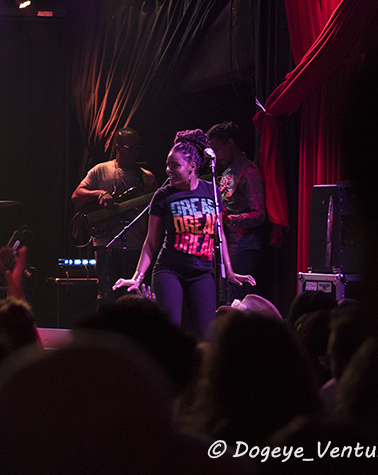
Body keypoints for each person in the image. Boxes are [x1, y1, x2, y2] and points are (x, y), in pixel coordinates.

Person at [112, 129, 254, 339]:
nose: (168, 170)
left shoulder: (211, 191)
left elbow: (220, 234)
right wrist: (137, 276)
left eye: (175, 165)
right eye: (168, 165)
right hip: (170, 270)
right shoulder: (163, 196)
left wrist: (230, 272)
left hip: (202, 272)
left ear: (192, 167)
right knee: (169, 333)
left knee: (207, 335)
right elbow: (151, 242)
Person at [71, 127, 157, 301]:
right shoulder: (101, 170)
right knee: (108, 299)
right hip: (108, 247)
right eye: (129, 148)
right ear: (117, 147)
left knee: (136, 302)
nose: (134, 152)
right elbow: (76, 195)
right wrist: (99, 193)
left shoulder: (147, 178)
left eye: (136, 148)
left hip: (137, 249)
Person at [207, 121, 267, 302]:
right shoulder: (227, 172)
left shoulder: (249, 172)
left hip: (242, 248)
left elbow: (259, 214)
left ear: (230, 144)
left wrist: (229, 220)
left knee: (236, 301)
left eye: (217, 149)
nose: (215, 156)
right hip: (224, 250)